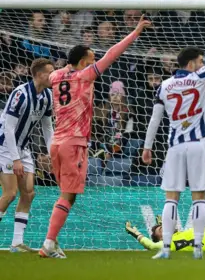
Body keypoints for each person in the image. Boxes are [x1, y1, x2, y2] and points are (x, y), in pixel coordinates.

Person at [39, 16, 152, 259]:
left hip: (57, 143)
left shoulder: (56, 77)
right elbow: (113, 53)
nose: (95, 61)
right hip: (74, 143)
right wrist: (135, 32)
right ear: (82, 62)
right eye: (91, 59)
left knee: (66, 195)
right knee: (68, 196)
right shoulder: (84, 76)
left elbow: (49, 75)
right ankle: (48, 242)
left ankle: (52, 240)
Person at [141, 8, 205, 260]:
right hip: (198, 144)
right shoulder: (199, 77)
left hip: (174, 146)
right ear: (191, 64)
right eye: (199, 60)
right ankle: (197, 247)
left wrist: (147, 147)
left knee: (171, 198)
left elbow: (155, 119)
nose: (202, 63)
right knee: (199, 198)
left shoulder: (164, 86)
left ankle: (165, 248)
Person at [0, 59, 54, 252]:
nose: (53, 75)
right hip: (5, 146)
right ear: (39, 74)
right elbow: (8, 127)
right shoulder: (20, 94)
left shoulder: (48, 95)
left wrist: (52, 153)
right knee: (10, 193)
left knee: (29, 193)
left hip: (23, 147)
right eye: (50, 72)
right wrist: (15, 159)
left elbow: (47, 128)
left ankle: (16, 243)